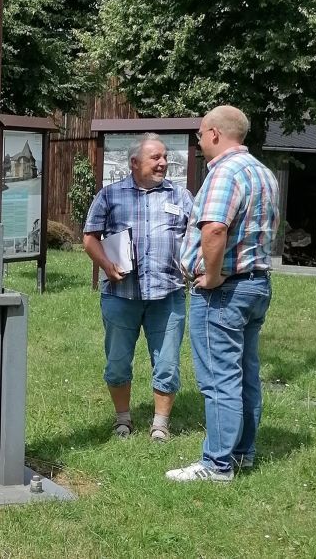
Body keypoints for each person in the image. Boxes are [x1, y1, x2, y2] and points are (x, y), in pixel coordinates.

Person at [167, 105, 279, 483]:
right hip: (256, 284)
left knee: (219, 379)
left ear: (215, 133)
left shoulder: (224, 173)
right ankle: (242, 454)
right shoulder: (263, 173)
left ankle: (216, 465)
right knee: (246, 373)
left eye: (200, 135)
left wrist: (211, 276)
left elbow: (214, 230)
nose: (199, 142)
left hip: (225, 289)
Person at [82, 133, 194, 441]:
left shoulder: (180, 196)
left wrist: (191, 263)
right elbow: (90, 238)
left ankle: (160, 424)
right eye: (155, 157)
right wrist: (107, 266)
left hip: (167, 295)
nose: (163, 163)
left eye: (164, 157)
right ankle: (122, 419)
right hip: (121, 296)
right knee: (118, 362)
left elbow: (196, 236)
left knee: (168, 364)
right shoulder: (110, 195)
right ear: (134, 163)